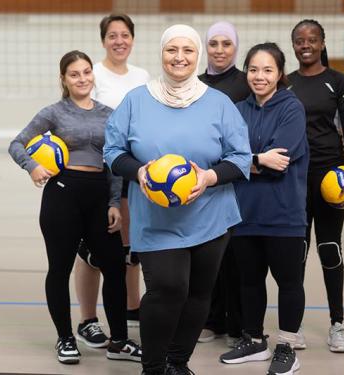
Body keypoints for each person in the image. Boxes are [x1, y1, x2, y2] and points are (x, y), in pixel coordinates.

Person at [104, 24, 252, 375]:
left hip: (211, 214)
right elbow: (112, 151)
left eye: (187, 50)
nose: (179, 57)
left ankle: (178, 362)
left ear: (196, 55)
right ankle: (153, 367)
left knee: (200, 293)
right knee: (167, 289)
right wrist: (139, 172)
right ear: (161, 53)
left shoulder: (218, 103)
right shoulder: (136, 100)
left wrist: (209, 177)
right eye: (172, 50)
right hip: (156, 218)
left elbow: (241, 157)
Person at [8, 50, 141, 364]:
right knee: (59, 268)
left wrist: (113, 203)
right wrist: (32, 167)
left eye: (86, 72)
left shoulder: (109, 113)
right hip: (63, 195)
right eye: (74, 74)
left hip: (99, 198)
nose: (82, 79)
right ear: (64, 80)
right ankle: (65, 339)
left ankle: (119, 342)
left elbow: (114, 162)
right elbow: (17, 143)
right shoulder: (54, 112)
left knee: (113, 266)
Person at [218, 42, 308, 375]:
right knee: (250, 282)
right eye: (254, 69)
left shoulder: (291, 108)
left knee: (289, 282)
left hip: (284, 214)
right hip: (245, 213)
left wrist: (245, 162)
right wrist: (254, 159)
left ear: (280, 74)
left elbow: (279, 162)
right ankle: (254, 339)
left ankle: (286, 346)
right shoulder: (238, 109)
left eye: (267, 70)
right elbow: (225, 157)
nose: (259, 76)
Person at [288, 19, 344, 353]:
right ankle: (295, 325)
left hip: (331, 178)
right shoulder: (285, 82)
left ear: (322, 43)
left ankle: (337, 324)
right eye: (299, 40)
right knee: (296, 252)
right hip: (294, 178)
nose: (306, 45)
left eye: (312, 39)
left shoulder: (338, 82)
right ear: (293, 45)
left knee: (329, 249)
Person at [74, 13, 151, 350]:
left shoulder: (143, 76)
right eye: (112, 35)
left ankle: (132, 308)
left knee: (128, 246)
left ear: (133, 39)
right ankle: (87, 320)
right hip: (100, 170)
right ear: (103, 40)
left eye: (125, 35)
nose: (119, 41)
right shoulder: (95, 74)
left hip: (134, 168)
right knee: (92, 248)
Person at [197, 21, 250, 347]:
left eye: (226, 44)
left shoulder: (246, 83)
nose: (219, 50)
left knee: (236, 258)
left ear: (235, 48)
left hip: (234, 178)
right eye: (213, 43)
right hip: (201, 181)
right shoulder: (196, 83)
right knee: (208, 255)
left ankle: (237, 325)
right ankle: (211, 320)